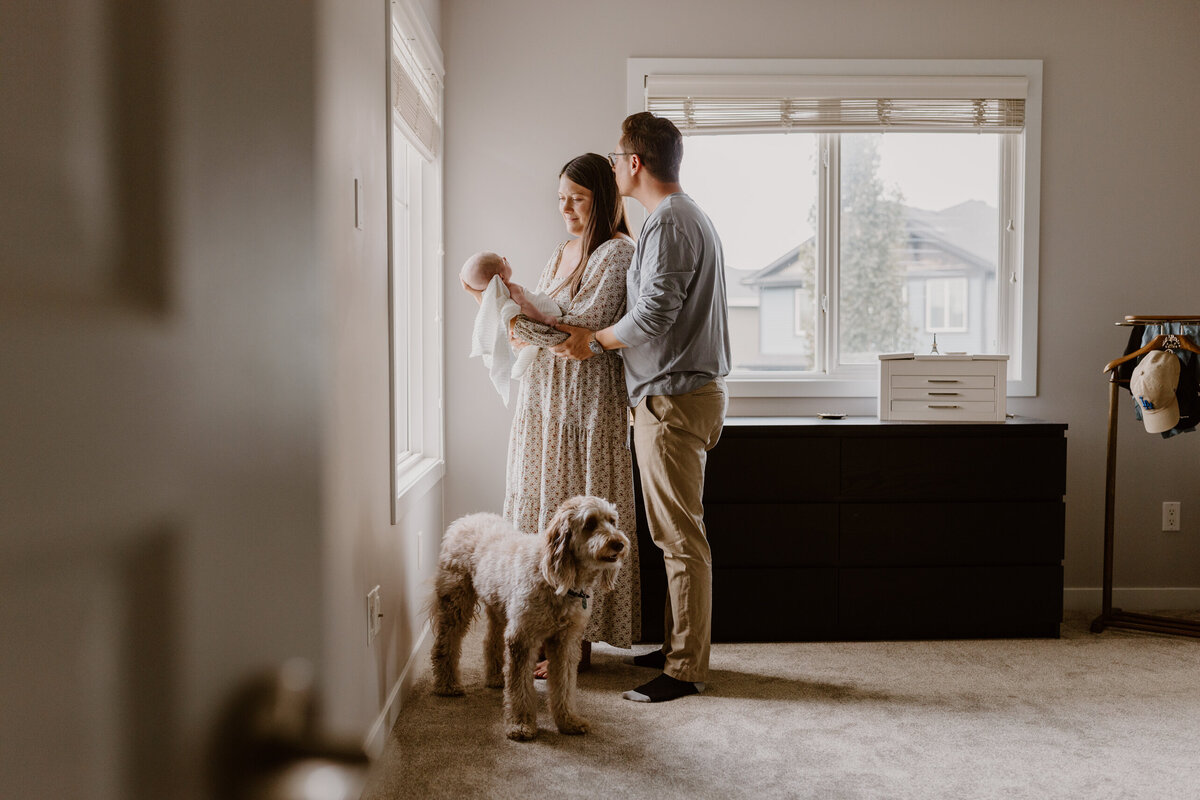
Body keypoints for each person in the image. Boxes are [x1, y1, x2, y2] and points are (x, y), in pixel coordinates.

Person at [552, 112, 730, 703]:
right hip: (675, 394)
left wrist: (594, 339)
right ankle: (681, 646)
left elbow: (653, 313)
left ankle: (685, 669)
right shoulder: (676, 219)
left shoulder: (671, 223)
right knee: (671, 534)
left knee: (680, 539)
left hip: (673, 398)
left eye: (615, 155)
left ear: (635, 162)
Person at [462, 152, 641, 674]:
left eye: (578, 199)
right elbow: (537, 319)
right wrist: (503, 312)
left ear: (602, 199)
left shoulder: (617, 253)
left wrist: (510, 316)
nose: (566, 208)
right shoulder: (563, 250)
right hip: (544, 397)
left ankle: (575, 641)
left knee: (580, 507)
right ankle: (540, 625)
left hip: (586, 398)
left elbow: (578, 332)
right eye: (561, 197)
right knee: (539, 503)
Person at [460, 250, 562, 404]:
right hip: (544, 314)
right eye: (503, 261)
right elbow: (525, 305)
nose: (506, 260)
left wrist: (474, 293)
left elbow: (487, 311)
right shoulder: (512, 288)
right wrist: (544, 318)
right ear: (501, 277)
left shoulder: (494, 299)